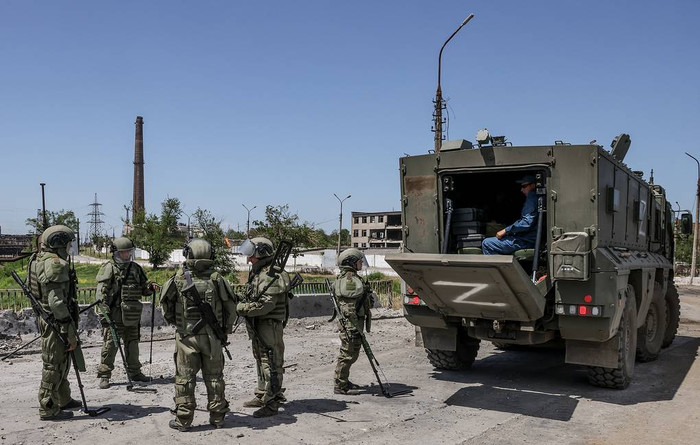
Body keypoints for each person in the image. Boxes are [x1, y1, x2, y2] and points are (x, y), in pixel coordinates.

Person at [160, 238, 237, 431]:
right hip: (212, 337)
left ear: (188, 254)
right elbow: (231, 308)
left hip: (187, 337)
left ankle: (184, 419)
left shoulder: (178, 279)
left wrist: (178, 324)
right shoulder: (217, 279)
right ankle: (218, 418)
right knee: (214, 377)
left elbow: (165, 307)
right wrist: (224, 330)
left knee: (185, 378)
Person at [27, 225, 82, 420]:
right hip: (56, 321)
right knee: (53, 364)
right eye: (68, 244)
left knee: (63, 361)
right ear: (59, 243)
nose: (69, 248)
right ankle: (48, 407)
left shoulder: (39, 259)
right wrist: (68, 327)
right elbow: (56, 301)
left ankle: (63, 398)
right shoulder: (55, 264)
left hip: (51, 319)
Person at [236, 237, 291, 418]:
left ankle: (272, 402)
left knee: (271, 363)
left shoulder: (271, 275)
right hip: (258, 324)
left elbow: (266, 305)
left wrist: (242, 308)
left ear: (261, 253)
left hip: (268, 324)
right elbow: (253, 295)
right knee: (260, 359)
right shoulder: (259, 272)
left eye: (251, 255)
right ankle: (262, 394)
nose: (248, 259)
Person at [95, 237, 155, 389]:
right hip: (115, 315)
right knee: (110, 345)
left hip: (132, 315)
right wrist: (104, 313)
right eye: (123, 252)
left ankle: (135, 372)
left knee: (133, 344)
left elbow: (144, 288)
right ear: (116, 253)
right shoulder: (109, 268)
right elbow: (101, 293)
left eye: (129, 252)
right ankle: (104, 375)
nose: (127, 255)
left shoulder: (135, 268)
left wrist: (150, 288)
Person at [332, 248, 373, 395]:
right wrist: (353, 327)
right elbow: (348, 308)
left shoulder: (353, 278)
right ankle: (340, 385)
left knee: (352, 353)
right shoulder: (349, 280)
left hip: (354, 323)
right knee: (347, 354)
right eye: (359, 261)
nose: (361, 263)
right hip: (351, 324)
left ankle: (344, 380)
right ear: (350, 262)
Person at [482, 174, 539, 255]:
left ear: (533, 185)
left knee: (487, 243)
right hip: (527, 239)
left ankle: (499, 264)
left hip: (525, 241)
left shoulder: (532, 197)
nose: (522, 190)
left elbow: (527, 222)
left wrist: (506, 230)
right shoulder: (536, 198)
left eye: (524, 186)